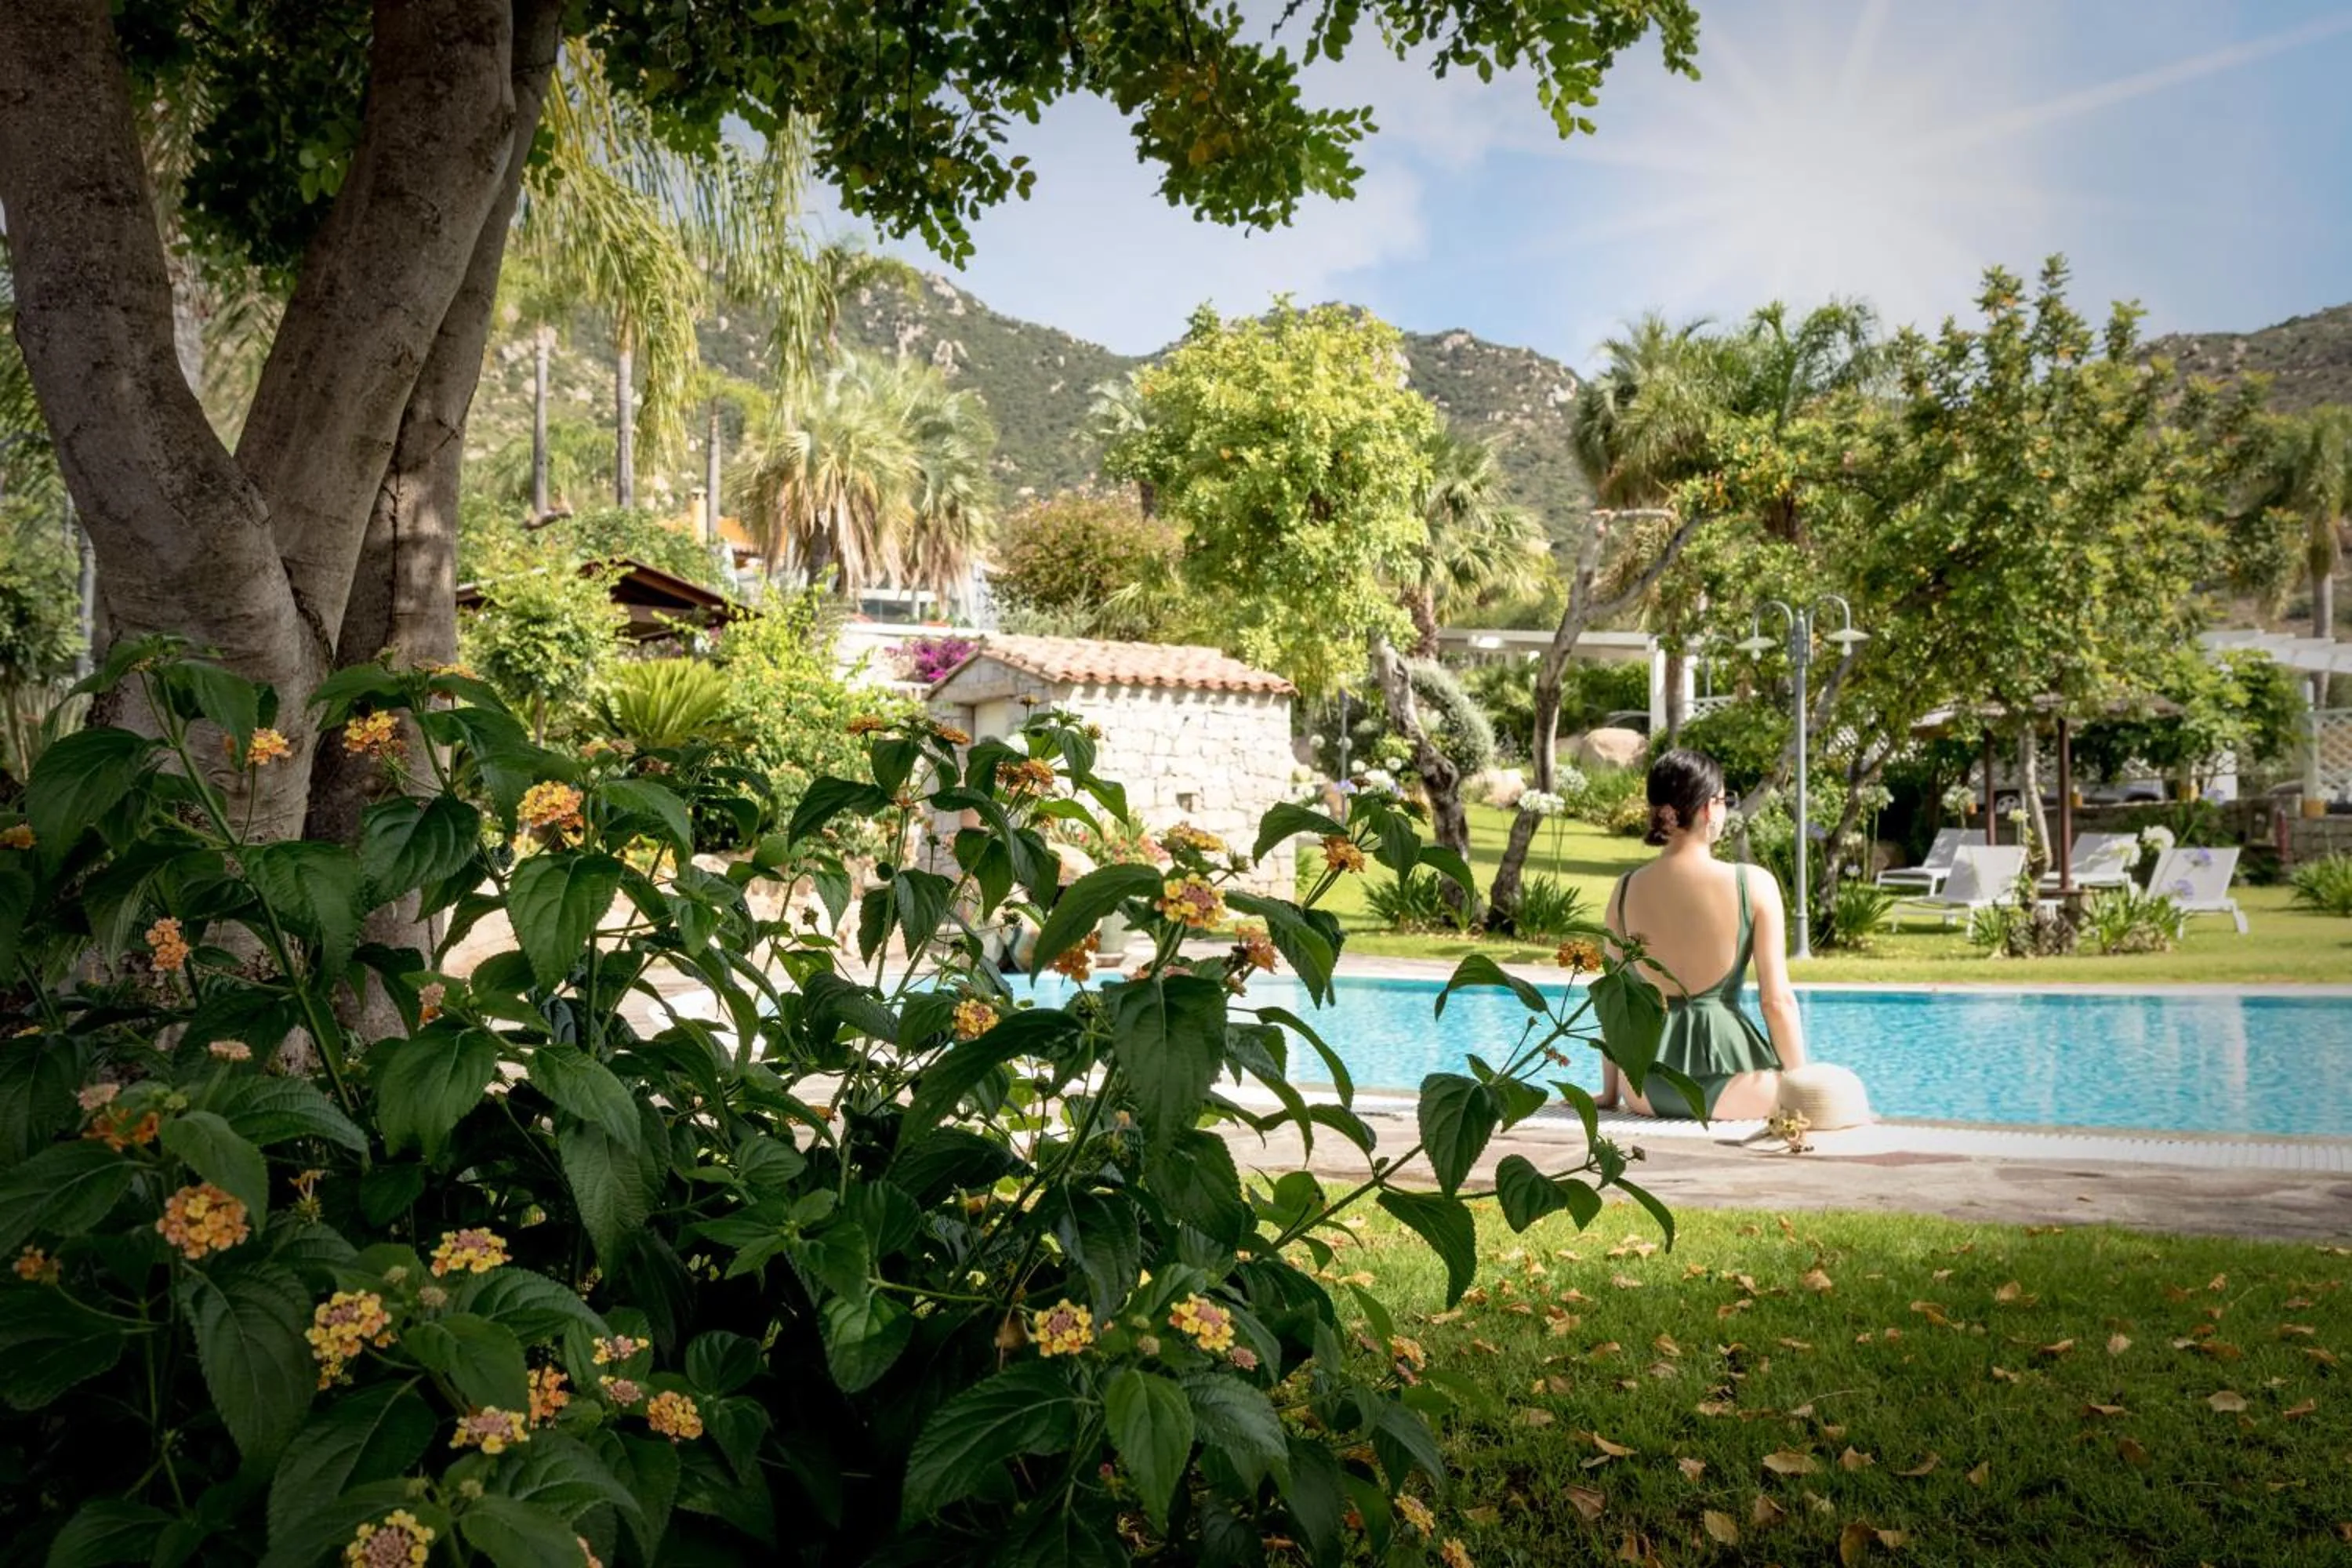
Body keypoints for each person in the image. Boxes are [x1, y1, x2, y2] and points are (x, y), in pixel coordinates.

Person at [1595, 748, 1807, 1119]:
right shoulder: (1753, 885)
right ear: (1709, 807)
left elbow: (1614, 1002)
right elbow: (1777, 1003)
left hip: (1643, 1090)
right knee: (1837, 1092)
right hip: (1730, 1084)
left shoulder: (1625, 889)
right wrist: (1804, 1086)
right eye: (1725, 799)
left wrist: (1610, 1093)